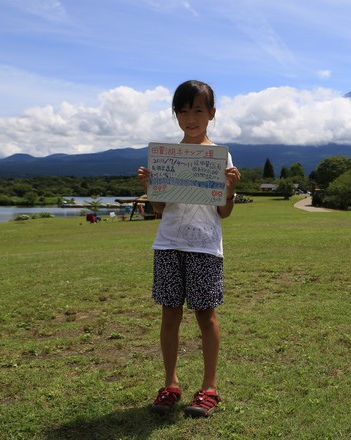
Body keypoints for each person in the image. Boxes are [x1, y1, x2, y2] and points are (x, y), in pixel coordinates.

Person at [136, 80, 240, 418]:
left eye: (197, 110)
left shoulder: (220, 156)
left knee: (205, 315)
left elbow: (223, 212)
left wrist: (229, 190)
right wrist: (151, 187)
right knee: (170, 314)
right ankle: (171, 384)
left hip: (205, 246)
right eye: (182, 111)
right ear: (175, 115)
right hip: (168, 243)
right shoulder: (167, 157)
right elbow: (159, 210)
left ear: (211, 113)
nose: (189, 117)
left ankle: (209, 387)